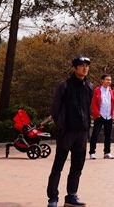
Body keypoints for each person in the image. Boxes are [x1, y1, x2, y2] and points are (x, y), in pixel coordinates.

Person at [46, 56, 93, 207]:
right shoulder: (64, 86)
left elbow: (88, 108)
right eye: (81, 65)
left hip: (82, 133)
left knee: (77, 166)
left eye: (87, 65)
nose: (85, 68)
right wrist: (61, 125)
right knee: (58, 166)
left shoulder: (90, 87)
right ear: (74, 68)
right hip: (67, 133)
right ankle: (53, 197)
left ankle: (71, 195)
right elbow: (55, 109)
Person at [89, 74, 114, 160]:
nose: (109, 81)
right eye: (107, 80)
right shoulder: (97, 90)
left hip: (109, 116)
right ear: (102, 80)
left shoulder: (111, 91)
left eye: (110, 80)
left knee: (108, 135)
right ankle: (92, 152)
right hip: (100, 115)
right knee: (95, 134)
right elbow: (94, 103)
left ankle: (107, 152)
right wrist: (97, 114)